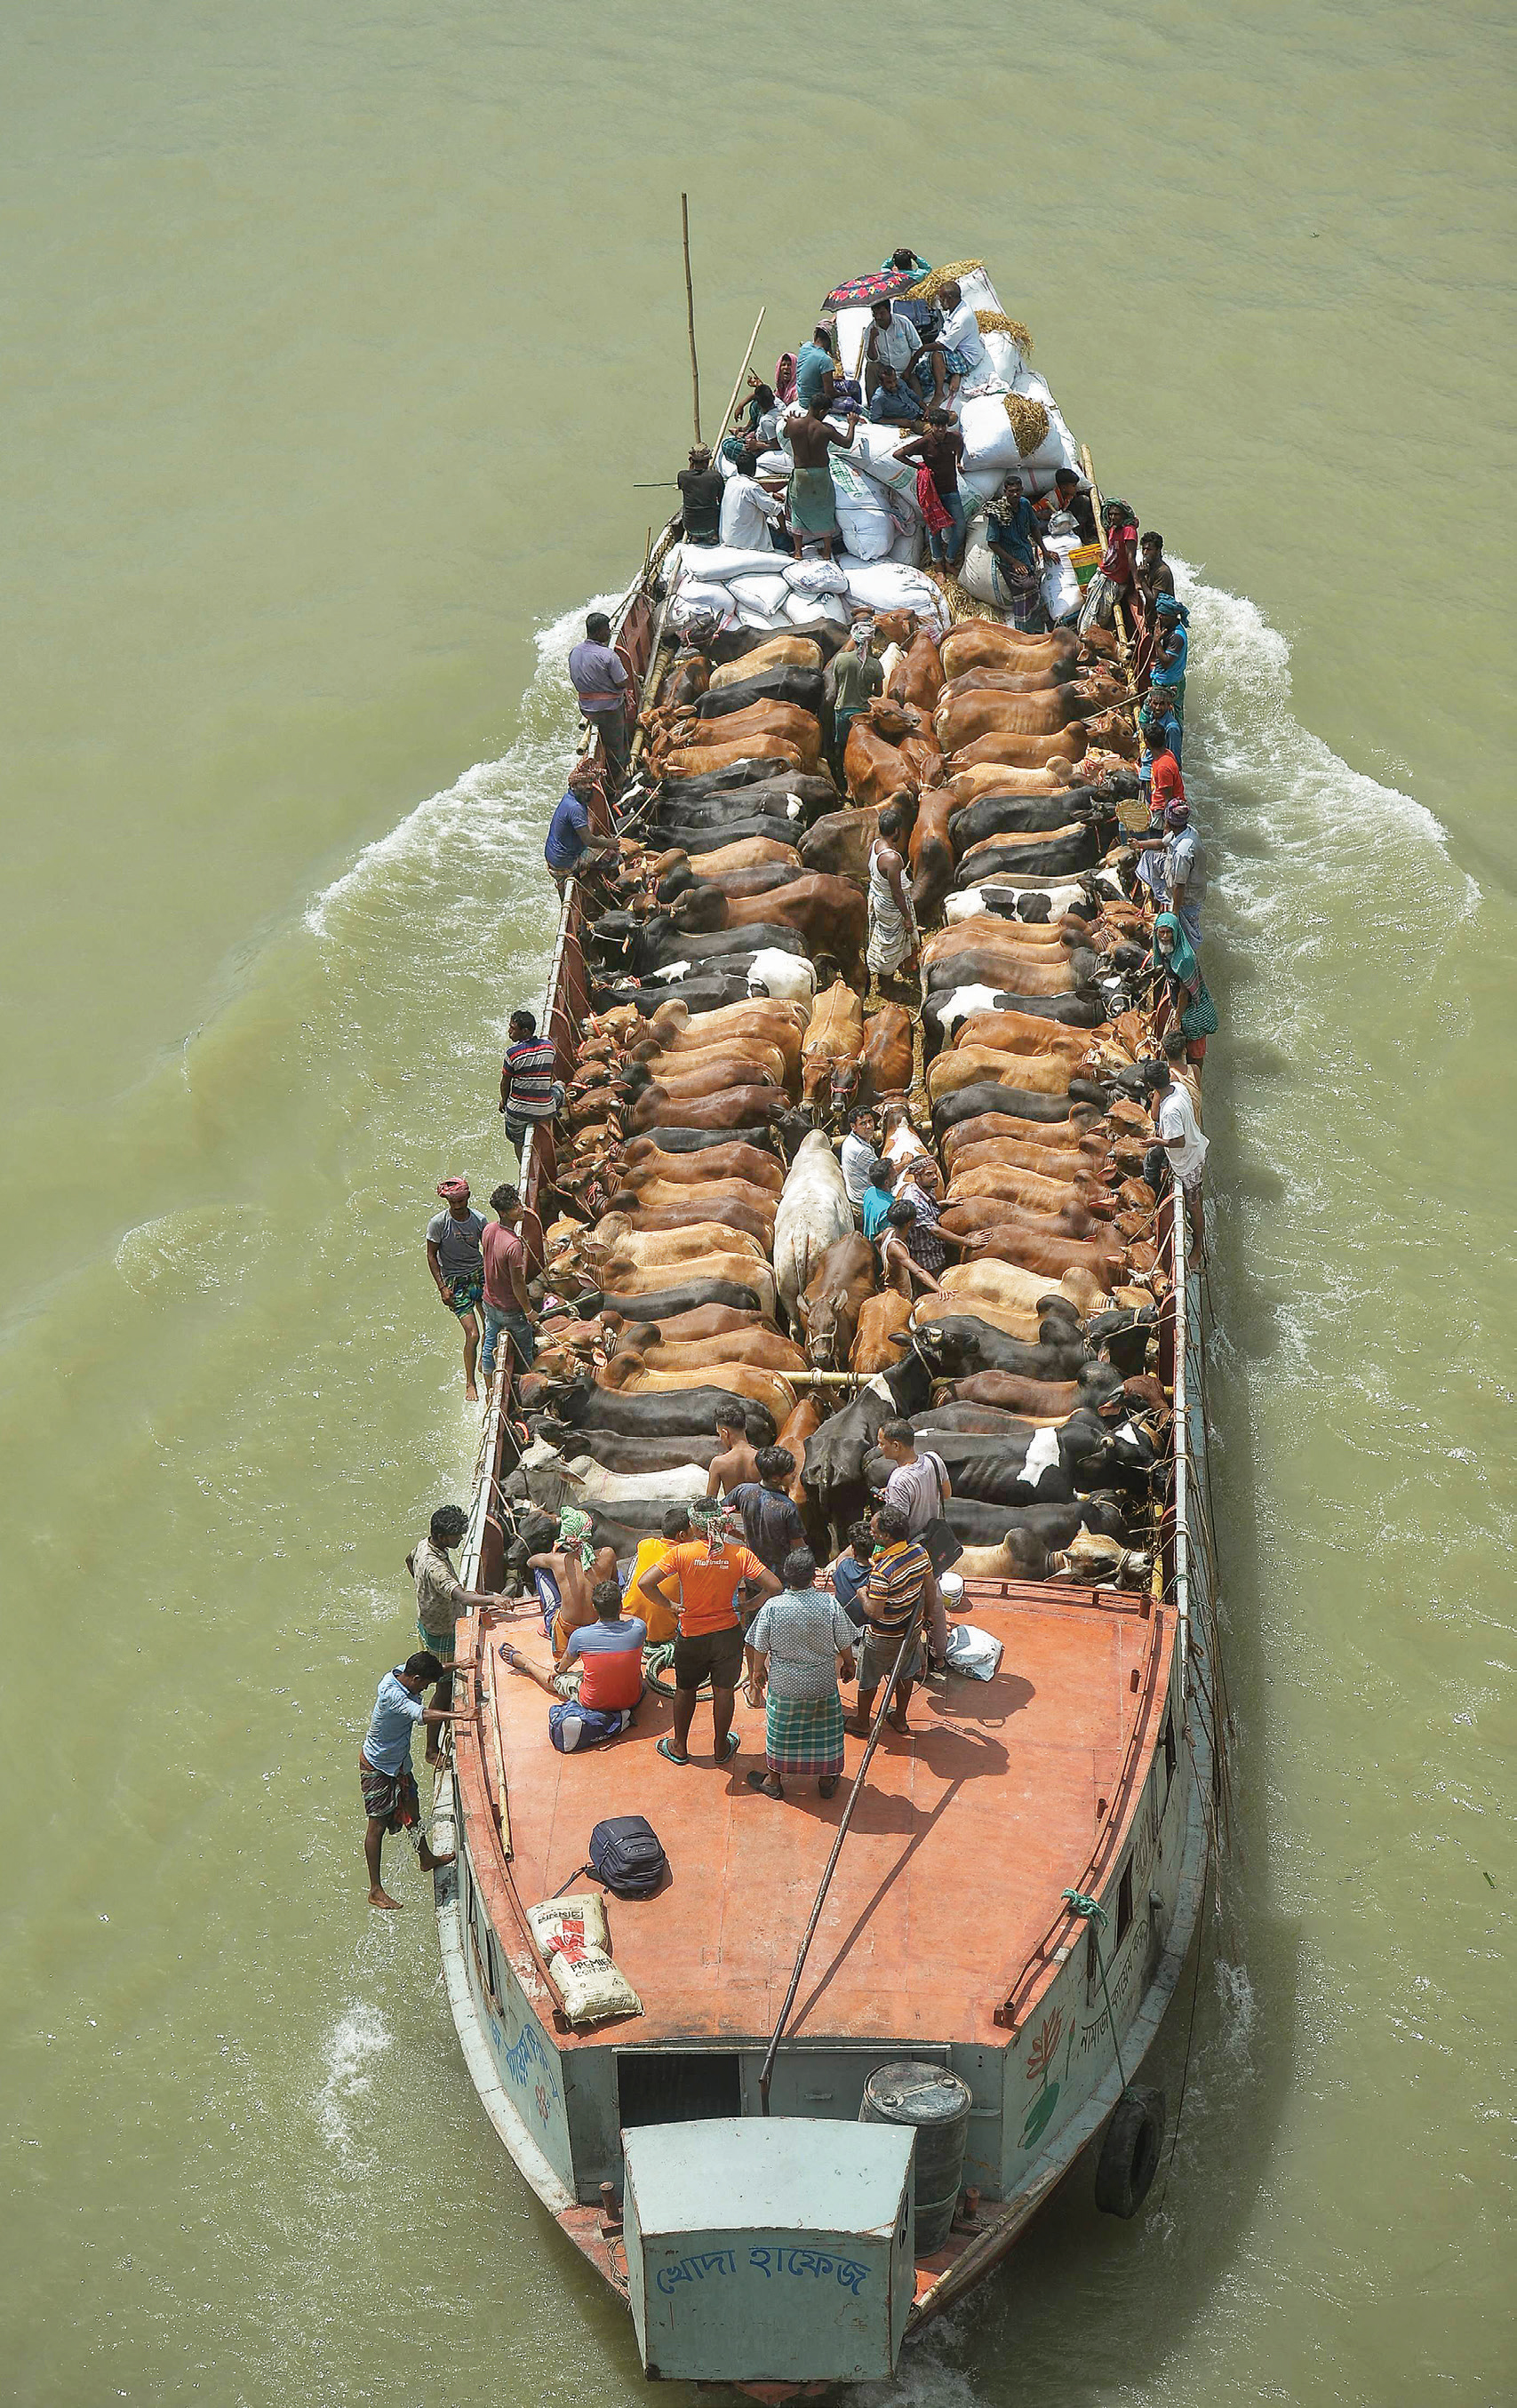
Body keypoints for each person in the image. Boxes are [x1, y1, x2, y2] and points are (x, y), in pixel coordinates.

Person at [634, 1510, 778, 1766]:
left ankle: (679, 1747)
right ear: (722, 1524)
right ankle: (721, 1748)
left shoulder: (682, 1553)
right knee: (724, 1691)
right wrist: (749, 1605)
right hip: (728, 1635)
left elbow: (645, 1583)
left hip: (692, 1635)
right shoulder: (740, 1554)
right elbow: (775, 1586)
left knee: (685, 1688)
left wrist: (669, 1605)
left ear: (696, 1527)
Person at [744, 1548, 858, 1801]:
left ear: (786, 1575)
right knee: (824, 1730)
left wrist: (757, 1670)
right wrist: (849, 1664)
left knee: (781, 1730)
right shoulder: (828, 1603)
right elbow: (844, 1640)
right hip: (822, 1683)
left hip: (785, 1684)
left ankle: (774, 1781)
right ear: (814, 1577)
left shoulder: (774, 1607)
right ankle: (827, 1779)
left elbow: (758, 1644)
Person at [409, 1504, 513, 1761]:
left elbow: (409, 1560)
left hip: (427, 1621)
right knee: (442, 1688)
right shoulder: (437, 1569)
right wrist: (493, 1600)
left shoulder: (424, 1546)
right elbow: (463, 1597)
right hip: (442, 1632)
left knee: (442, 1677)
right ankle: (432, 1750)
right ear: (443, 1537)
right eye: (456, 1536)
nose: (460, 1539)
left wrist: (424, 1590)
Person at [361, 1652, 461, 1908]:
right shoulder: (391, 1694)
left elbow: (434, 1670)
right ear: (415, 1678)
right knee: (377, 1827)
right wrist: (460, 1716)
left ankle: (425, 1857)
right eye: (425, 1685)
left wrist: (459, 1665)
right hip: (379, 1766)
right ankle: (375, 1889)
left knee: (413, 1813)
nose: (426, 1689)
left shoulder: (402, 1672)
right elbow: (423, 1715)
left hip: (399, 1763)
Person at [500, 1577, 645, 1753]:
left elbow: (563, 1666)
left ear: (594, 1608)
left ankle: (526, 1663)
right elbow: (628, 1623)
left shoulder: (580, 1636)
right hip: (633, 1698)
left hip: (593, 1701)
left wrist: (557, 1671)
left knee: (557, 1679)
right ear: (620, 1606)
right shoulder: (638, 1627)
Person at [850, 1506, 931, 1737]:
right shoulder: (919, 1553)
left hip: (883, 1636)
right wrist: (927, 1618)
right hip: (911, 1630)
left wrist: (862, 1595)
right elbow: (931, 1589)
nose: (871, 1534)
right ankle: (900, 1718)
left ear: (886, 1536)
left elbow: (875, 1612)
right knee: (905, 1672)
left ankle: (862, 1722)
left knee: (869, 1677)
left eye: (874, 1531)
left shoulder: (882, 1572)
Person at [527, 1508, 619, 1655]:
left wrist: (551, 1555)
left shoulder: (556, 1560)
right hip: (596, 1624)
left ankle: (548, 1625)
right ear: (588, 1532)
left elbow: (530, 1562)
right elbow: (614, 1584)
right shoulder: (608, 1553)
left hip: (567, 1629)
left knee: (540, 1569)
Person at [427, 1177, 486, 1401]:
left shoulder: (479, 1220)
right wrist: (442, 1287)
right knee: (473, 1334)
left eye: (461, 1201)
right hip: (454, 1281)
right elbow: (431, 1255)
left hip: (478, 1274)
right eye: (453, 1203)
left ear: (468, 1198)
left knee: (490, 1321)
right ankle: (470, 1382)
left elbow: (487, 1249)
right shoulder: (438, 1224)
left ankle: (485, 1359)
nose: (458, 1206)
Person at [1142, 1059, 1208, 1252]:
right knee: (1195, 1193)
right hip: (1195, 1151)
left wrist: (1156, 1142)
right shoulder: (1178, 1087)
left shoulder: (1170, 1111)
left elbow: (1179, 1142)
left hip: (1186, 1161)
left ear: (1152, 1085)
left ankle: (1197, 1248)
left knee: (1192, 1203)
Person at [786, 399, 861, 561]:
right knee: (825, 508)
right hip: (821, 474)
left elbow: (786, 434)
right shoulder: (825, 429)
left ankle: (798, 552)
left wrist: (790, 420)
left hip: (801, 474)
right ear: (821, 411)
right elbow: (847, 443)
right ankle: (826, 551)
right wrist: (852, 424)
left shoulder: (793, 424)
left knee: (798, 509)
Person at [1146, 911, 1218, 1073]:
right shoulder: (1165, 951)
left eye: (1169, 932)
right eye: (1161, 932)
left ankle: (1195, 1078)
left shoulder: (1184, 958)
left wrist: (1178, 1019)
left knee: (1195, 1052)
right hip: (1176, 1004)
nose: (1165, 936)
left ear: (1176, 932)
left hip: (1192, 1008)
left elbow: (1185, 992)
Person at [480, 1182, 537, 1383]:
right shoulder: (514, 1245)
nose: (520, 1208)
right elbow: (518, 1284)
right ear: (503, 1213)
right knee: (527, 1349)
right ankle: (531, 1380)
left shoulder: (488, 1230)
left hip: (489, 1302)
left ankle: (488, 1390)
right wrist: (529, 1311)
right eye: (514, 1207)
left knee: (489, 1346)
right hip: (510, 1309)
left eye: (519, 1203)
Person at [895, 412, 967, 570]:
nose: (940, 429)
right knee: (935, 529)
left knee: (960, 527)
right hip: (932, 493)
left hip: (951, 490)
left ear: (947, 426)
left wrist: (958, 462)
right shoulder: (925, 442)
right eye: (937, 426)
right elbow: (898, 454)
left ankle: (950, 560)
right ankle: (938, 564)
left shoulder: (954, 438)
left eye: (943, 426)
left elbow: (959, 445)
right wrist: (919, 467)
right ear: (931, 426)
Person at [567, 611, 631, 785]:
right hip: (608, 711)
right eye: (607, 629)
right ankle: (619, 777)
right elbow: (622, 682)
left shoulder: (575, 652)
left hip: (586, 708)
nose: (610, 632)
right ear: (599, 632)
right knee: (618, 742)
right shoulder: (608, 656)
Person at [730, 1447, 807, 1581]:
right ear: (776, 1478)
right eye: (790, 1472)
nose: (794, 1475)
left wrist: (740, 1536)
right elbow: (798, 1546)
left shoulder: (743, 1491)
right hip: (779, 1577)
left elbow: (716, 1512)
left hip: (752, 1572)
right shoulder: (787, 1507)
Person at [984, 475, 1049, 630]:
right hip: (1009, 559)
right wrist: (1014, 562)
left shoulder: (1025, 504)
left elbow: (1034, 527)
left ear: (1022, 490)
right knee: (1027, 585)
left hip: (1026, 553)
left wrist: (1044, 550)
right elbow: (992, 542)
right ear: (1005, 492)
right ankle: (1023, 628)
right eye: (1011, 491)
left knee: (1035, 586)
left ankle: (1037, 625)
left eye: (1018, 491)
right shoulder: (998, 513)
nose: (1015, 494)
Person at [866, 801, 920, 982]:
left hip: (877, 897)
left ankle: (886, 976)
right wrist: (906, 918)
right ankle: (886, 982)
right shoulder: (892, 858)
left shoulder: (875, 845)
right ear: (896, 830)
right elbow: (896, 893)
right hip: (890, 906)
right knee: (889, 944)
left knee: (882, 938)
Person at [824, 618, 884, 780]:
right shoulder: (875, 665)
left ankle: (841, 780)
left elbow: (836, 682)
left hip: (842, 711)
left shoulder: (840, 660)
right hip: (863, 713)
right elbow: (879, 692)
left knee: (842, 747)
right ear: (871, 641)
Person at [544, 758, 614, 892]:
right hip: (565, 863)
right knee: (611, 854)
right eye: (583, 783)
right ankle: (590, 883)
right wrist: (611, 843)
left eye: (590, 783)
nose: (588, 787)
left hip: (554, 858)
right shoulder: (575, 808)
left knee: (601, 841)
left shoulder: (569, 798)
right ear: (573, 786)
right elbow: (589, 840)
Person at [625, 1503, 691, 1645]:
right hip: (661, 1636)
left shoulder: (645, 1544)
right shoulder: (688, 1557)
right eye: (694, 1530)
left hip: (627, 1624)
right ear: (682, 1535)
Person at [499, 1009, 558, 1160]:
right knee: (560, 1087)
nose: (509, 1031)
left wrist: (503, 1102)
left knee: (517, 1140)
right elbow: (550, 1075)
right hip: (545, 1111)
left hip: (518, 1113)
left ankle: (522, 1165)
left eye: (513, 1028)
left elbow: (505, 1083)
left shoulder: (512, 1053)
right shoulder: (549, 1047)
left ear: (525, 1031)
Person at [1077, 498, 1140, 635]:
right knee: (1090, 595)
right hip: (1105, 571)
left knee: (1104, 610)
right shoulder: (1113, 527)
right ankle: (1088, 630)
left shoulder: (1129, 531)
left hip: (1116, 579)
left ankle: (1100, 633)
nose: (1112, 517)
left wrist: (1136, 582)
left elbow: (1131, 557)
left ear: (1124, 515)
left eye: (1116, 514)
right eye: (1111, 514)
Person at [878, 1197, 945, 1304]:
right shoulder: (897, 1248)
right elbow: (918, 1271)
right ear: (909, 1223)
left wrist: (885, 1265)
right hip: (900, 1295)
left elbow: (877, 1240)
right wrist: (939, 1289)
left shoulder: (888, 1232)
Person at [1161, 797, 1207, 948]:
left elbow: (1180, 885)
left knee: (1189, 935)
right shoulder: (1188, 830)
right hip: (1195, 890)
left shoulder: (1183, 851)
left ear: (1168, 822)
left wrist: (1174, 913)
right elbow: (1162, 843)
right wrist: (1138, 844)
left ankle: (1190, 960)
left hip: (1188, 898)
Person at [933, 278, 993, 395]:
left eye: (941, 297)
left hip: (967, 358)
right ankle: (955, 374)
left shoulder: (961, 319)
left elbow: (943, 345)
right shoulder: (958, 306)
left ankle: (939, 393)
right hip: (958, 347)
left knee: (936, 356)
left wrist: (922, 350)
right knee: (927, 367)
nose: (939, 300)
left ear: (949, 298)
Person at [719, 451, 785, 551]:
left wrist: (770, 495)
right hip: (747, 542)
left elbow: (747, 498)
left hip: (728, 538)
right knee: (787, 542)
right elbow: (777, 510)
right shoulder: (752, 487)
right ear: (754, 469)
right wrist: (783, 531)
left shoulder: (730, 482)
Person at [863, 296, 922, 400]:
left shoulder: (903, 322)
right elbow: (872, 359)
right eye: (875, 314)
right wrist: (872, 339)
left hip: (906, 371)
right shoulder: (870, 330)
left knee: (918, 398)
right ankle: (872, 406)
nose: (878, 317)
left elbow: (917, 348)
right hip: (884, 374)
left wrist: (908, 370)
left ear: (889, 311)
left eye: (882, 313)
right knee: (871, 367)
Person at [1148, 594, 1190, 725]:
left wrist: (1157, 642)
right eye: (1159, 613)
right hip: (1165, 679)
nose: (1160, 617)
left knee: (1156, 715)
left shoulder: (1176, 637)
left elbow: (1166, 662)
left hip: (1168, 683)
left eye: (1164, 615)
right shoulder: (1166, 629)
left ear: (1173, 616)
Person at [706, 1400, 761, 1497]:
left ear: (725, 1433)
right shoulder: (762, 1459)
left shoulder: (718, 1463)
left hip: (732, 1511)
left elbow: (709, 1503)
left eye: (720, 1435)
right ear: (745, 1427)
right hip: (758, 1512)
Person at [828, 1522, 877, 1628]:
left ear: (854, 1551)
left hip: (845, 1628)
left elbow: (842, 1557)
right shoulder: (880, 1573)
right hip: (868, 1629)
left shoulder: (843, 1566)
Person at [1033, 467, 1098, 546]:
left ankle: (1077, 533)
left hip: (1064, 518)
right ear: (1064, 488)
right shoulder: (1051, 498)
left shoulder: (1069, 495)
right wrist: (1043, 515)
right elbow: (1032, 511)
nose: (1076, 488)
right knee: (1041, 526)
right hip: (1053, 523)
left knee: (1084, 500)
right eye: (1073, 486)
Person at [675, 444, 724, 546]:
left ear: (691, 461)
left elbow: (687, 480)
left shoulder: (682, 476)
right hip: (711, 527)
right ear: (707, 461)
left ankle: (695, 536)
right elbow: (722, 499)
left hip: (689, 526)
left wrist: (691, 465)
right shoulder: (715, 476)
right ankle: (713, 536)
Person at [839, 1104, 881, 1215]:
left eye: (870, 1121)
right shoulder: (859, 1149)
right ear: (853, 1127)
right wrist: (905, 1162)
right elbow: (883, 1173)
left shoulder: (851, 1140)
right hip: (863, 1201)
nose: (869, 1126)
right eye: (863, 1123)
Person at [794, 323, 838, 409]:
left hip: (802, 399)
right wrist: (844, 394)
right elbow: (829, 393)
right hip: (814, 403)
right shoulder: (825, 359)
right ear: (829, 341)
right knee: (852, 402)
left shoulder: (805, 347)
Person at [867, 363, 922, 427]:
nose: (893, 384)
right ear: (881, 383)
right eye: (889, 382)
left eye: (894, 380)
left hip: (921, 413)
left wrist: (926, 409)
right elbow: (875, 419)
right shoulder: (879, 398)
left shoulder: (900, 383)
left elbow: (914, 397)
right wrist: (898, 421)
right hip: (911, 422)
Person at [861, 1156, 898, 1241]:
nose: (896, 1173)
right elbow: (887, 1237)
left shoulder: (870, 1192)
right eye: (893, 1173)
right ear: (886, 1182)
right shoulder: (888, 1209)